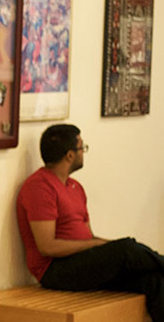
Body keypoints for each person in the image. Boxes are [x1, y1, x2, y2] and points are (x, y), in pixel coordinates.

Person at [17, 124, 164, 321]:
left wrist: (104, 246)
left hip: (83, 262)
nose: (83, 153)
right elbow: (47, 247)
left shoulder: (75, 187)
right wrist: (102, 246)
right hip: (55, 270)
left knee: (153, 280)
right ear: (70, 155)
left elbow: (88, 236)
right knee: (126, 248)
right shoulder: (39, 187)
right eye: (81, 148)